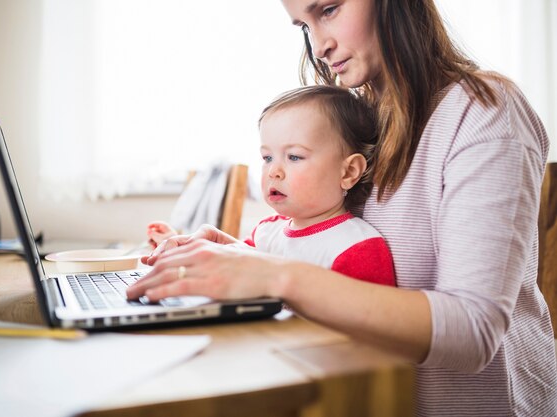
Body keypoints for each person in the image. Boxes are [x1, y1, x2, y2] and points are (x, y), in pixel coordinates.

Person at [128, 0, 557, 415]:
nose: (318, 47)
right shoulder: (359, 119)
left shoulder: (484, 111)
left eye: (328, 10)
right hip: (363, 397)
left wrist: (276, 275)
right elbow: (330, 248)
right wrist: (242, 257)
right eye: (303, 27)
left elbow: (472, 332)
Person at [147, 86, 396, 286]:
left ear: (349, 171)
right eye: (267, 158)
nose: (273, 171)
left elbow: (370, 325)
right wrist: (184, 248)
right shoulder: (266, 232)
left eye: (294, 157)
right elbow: (230, 267)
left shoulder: (357, 249)